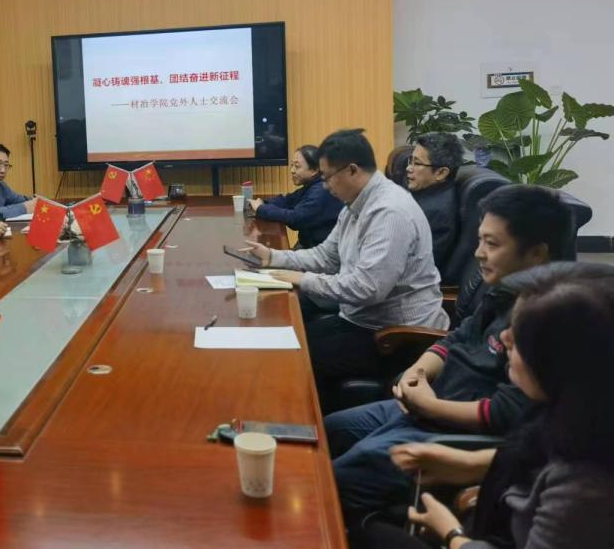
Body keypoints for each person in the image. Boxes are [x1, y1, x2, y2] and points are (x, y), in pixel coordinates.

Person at [324, 185, 571, 523]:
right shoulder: (505, 288)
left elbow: (506, 412)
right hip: (430, 404)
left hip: (460, 431)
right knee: (333, 428)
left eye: (492, 244)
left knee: (336, 479)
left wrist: (428, 405)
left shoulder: (549, 319)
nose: (478, 253)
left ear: (537, 253)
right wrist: (417, 373)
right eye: (480, 240)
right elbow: (458, 337)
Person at [352, 262, 614, 549]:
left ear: (563, 360)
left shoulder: (585, 485)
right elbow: (536, 454)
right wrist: (471, 463)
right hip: (492, 525)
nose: (503, 338)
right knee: (368, 530)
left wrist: (451, 533)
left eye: (519, 334)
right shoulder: (568, 411)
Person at [244, 129, 447, 400]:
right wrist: (273, 257)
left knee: (292, 354)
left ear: (352, 170)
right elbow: (327, 256)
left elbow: (368, 288)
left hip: (396, 335)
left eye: (327, 177)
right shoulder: (356, 203)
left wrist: (302, 279)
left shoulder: (388, 211)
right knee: (285, 337)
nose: (325, 186)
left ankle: (311, 424)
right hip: (362, 320)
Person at [248, 144, 343, 248]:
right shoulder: (312, 185)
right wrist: (264, 203)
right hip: (308, 244)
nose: (292, 170)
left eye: (297, 166)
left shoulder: (321, 190)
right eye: (292, 165)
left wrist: (261, 209)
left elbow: (296, 219)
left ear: (314, 170)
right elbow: (287, 201)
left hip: (320, 250)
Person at [407, 133, 463, 271]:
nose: (409, 168)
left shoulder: (437, 212)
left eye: (417, 163)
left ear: (441, 173)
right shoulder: (427, 193)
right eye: (410, 161)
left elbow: (417, 267)